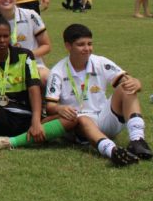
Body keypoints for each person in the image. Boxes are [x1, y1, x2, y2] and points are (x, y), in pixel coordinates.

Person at [0, 13, 75, 161]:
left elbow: (34, 89)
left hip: (26, 118)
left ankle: (6, 143)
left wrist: (35, 120)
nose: (2, 40)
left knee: (73, 119)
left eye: (5, 36)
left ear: (10, 37)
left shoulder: (25, 56)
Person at [45, 24, 152, 166]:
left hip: (104, 117)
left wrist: (136, 83)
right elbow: (50, 106)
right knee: (83, 119)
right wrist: (60, 109)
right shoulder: (58, 71)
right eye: (81, 45)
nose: (87, 48)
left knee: (126, 87)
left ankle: (137, 140)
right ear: (68, 46)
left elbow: (128, 81)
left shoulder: (100, 62)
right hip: (79, 123)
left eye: (89, 44)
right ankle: (113, 151)